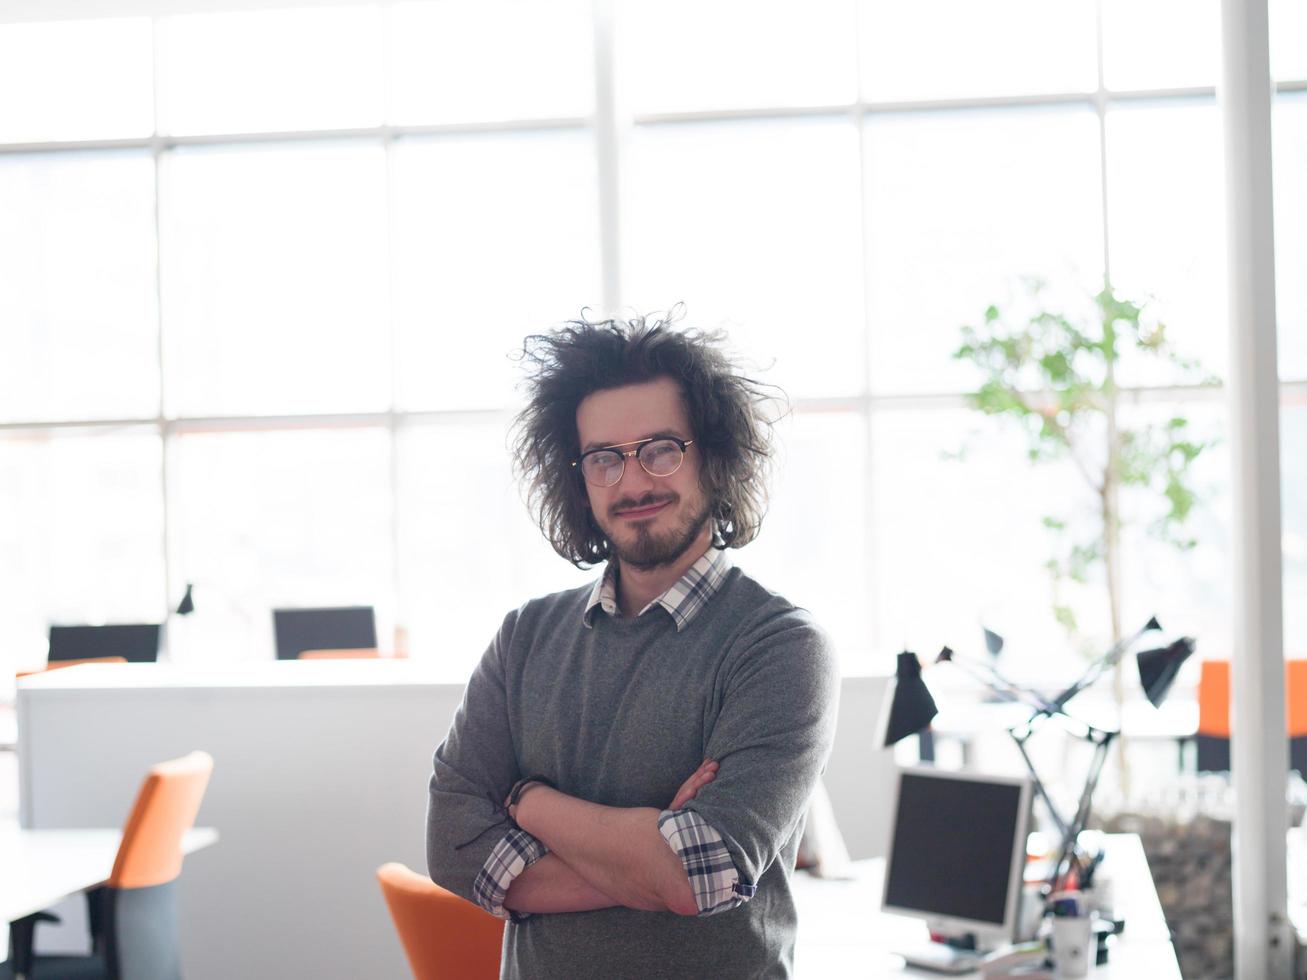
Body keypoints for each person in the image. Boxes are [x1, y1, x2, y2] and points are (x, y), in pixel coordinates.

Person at [426, 313, 839, 979]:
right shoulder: (525, 637)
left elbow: (696, 876)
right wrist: (647, 863)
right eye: (603, 458)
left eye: (661, 449)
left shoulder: (782, 646)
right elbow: (453, 848)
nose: (633, 481)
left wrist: (529, 802)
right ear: (579, 478)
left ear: (712, 455)